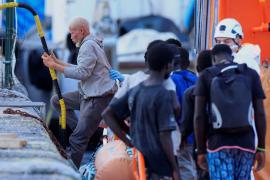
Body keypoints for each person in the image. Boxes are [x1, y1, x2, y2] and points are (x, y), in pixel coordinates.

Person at [41, 17, 117, 168]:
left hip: (97, 97)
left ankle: (71, 172)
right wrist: (56, 62)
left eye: (72, 33)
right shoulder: (90, 43)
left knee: (77, 140)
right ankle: (81, 129)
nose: (71, 36)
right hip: (87, 93)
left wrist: (55, 66)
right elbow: (79, 67)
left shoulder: (88, 46)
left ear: (81, 31)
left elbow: (82, 73)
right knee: (57, 101)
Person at [102, 42, 180, 179]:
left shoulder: (136, 90)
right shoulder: (163, 94)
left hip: (140, 157)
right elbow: (165, 135)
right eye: (173, 64)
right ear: (167, 66)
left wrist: (128, 138)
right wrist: (174, 168)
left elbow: (108, 114)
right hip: (160, 162)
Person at [194, 44, 266, 179]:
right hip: (246, 143)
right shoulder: (251, 74)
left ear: (213, 59)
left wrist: (201, 151)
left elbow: (199, 116)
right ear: (232, 57)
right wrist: (261, 148)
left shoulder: (206, 75)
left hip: (218, 144)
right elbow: (260, 112)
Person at [179, 50, 212, 180]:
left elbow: (187, 123)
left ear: (198, 68)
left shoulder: (191, 92)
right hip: (226, 143)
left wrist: (181, 139)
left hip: (200, 145)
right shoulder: (226, 86)